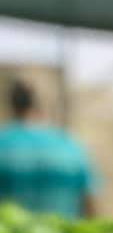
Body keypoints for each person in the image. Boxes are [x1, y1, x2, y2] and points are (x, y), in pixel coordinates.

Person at [0, 79, 98, 218]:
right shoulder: (69, 144)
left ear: (11, 105)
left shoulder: (3, 142)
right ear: (40, 105)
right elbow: (90, 202)